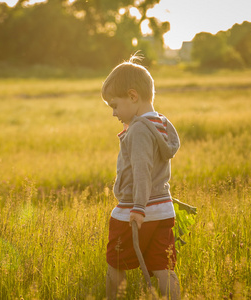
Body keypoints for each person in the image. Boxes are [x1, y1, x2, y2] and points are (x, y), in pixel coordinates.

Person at [102, 55, 181, 300]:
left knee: (115, 264)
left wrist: (138, 208)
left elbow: (141, 170)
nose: (114, 113)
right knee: (163, 268)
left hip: (135, 212)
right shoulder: (161, 124)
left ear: (133, 96)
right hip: (163, 210)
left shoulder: (138, 130)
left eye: (115, 105)